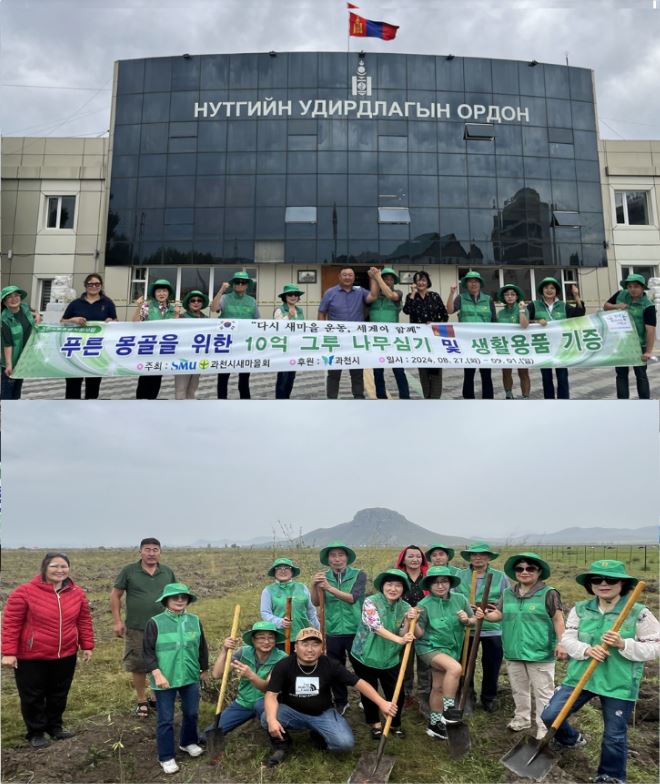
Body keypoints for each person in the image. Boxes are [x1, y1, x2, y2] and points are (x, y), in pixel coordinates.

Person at [541, 560, 659, 784]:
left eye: (610, 580)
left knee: (614, 736)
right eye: (597, 580)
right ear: (590, 584)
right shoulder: (581, 609)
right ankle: (571, 739)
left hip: (618, 681)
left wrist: (624, 644)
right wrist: (586, 649)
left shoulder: (638, 612)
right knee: (550, 715)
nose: (603, 584)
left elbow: (655, 646)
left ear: (622, 584)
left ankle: (610, 776)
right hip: (581, 677)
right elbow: (568, 638)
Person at [262, 627, 398, 767]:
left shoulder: (330, 665)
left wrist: (381, 702)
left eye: (315, 644)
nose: (310, 649)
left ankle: (318, 733)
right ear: (296, 647)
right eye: (305, 644)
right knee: (266, 717)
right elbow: (271, 694)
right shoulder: (284, 665)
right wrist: (272, 719)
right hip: (292, 712)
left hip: (322, 713)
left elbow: (359, 683)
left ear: (322, 647)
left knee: (344, 744)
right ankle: (282, 744)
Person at [1, 552, 94, 748]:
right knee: (32, 695)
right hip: (32, 655)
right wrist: (9, 652)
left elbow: (84, 620)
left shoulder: (76, 592)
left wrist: (87, 645)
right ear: (44, 568)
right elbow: (11, 623)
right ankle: (36, 731)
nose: (60, 570)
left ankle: (55, 727)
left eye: (63, 566)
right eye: (54, 566)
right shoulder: (24, 592)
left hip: (65, 653)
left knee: (59, 693)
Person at [484, 552, 566, 739]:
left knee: (543, 692)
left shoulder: (549, 593)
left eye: (530, 568)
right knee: (519, 689)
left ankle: (543, 726)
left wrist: (562, 643)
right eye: (520, 568)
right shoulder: (508, 593)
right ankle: (522, 719)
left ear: (538, 572)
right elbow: (499, 614)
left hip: (539, 652)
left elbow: (558, 620)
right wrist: (486, 616)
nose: (524, 572)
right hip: (513, 650)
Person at [143, 583, 208, 774]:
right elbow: (147, 651)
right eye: (175, 597)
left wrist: (204, 669)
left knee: (191, 713)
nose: (180, 600)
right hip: (165, 678)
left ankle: (188, 742)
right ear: (166, 601)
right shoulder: (155, 622)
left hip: (190, 675)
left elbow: (202, 646)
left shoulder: (194, 620)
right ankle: (166, 756)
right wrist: (156, 673)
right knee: (165, 719)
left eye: (183, 597)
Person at [110, 538, 176, 718]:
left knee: (161, 661)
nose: (151, 553)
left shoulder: (167, 572)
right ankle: (141, 700)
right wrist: (117, 621)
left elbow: (175, 597)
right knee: (139, 664)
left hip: (163, 625)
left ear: (160, 552)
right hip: (137, 626)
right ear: (140, 552)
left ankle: (156, 696)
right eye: (147, 549)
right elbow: (116, 595)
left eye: (155, 549)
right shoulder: (129, 571)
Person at [349, 568, 419, 739]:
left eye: (398, 585)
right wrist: (399, 640)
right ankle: (375, 725)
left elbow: (403, 633)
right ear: (383, 586)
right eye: (389, 584)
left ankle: (394, 723)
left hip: (390, 658)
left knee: (396, 692)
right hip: (365, 655)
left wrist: (409, 621)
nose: (393, 589)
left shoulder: (405, 607)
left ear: (403, 589)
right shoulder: (370, 602)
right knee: (369, 691)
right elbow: (375, 627)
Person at [416, 566, 481, 739]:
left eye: (444, 581)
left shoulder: (460, 599)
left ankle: (435, 724)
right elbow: (418, 634)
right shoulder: (424, 605)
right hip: (429, 647)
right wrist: (411, 621)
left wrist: (467, 620)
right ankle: (449, 710)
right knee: (455, 669)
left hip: (452, 648)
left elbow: (472, 620)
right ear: (429, 585)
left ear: (450, 583)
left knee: (437, 687)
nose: (440, 586)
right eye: (435, 582)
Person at [310, 541, 367, 715]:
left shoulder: (359, 575)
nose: (337, 559)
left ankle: (367, 699)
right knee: (335, 667)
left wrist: (329, 588)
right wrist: (314, 586)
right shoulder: (323, 576)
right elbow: (316, 602)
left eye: (340, 555)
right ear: (328, 559)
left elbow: (352, 598)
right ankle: (341, 701)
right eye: (333, 556)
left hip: (356, 628)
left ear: (347, 558)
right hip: (332, 629)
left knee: (361, 666)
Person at [456, 542, 510, 711]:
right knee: (466, 663)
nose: (478, 558)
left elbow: (506, 600)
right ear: (470, 557)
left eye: (482, 554)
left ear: (488, 557)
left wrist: (493, 609)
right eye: (474, 554)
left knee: (492, 664)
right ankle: (467, 695)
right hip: (467, 627)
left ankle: (489, 697)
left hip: (492, 627)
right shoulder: (460, 576)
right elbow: (454, 598)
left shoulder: (500, 577)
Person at [206, 621, 287, 735]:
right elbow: (217, 674)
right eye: (261, 638)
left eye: (271, 638)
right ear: (253, 640)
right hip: (243, 703)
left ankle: (279, 742)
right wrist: (224, 650)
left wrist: (251, 675)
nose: (266, 642)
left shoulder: (282, 658)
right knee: (209, 733)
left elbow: (267, 688)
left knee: (269, 719)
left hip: (267, 703)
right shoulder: (243, 652)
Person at [317, 267, 376, 399]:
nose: (347, 277)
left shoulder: (360, 292)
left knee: (357, 371)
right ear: (339, 277)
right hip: (336, 340)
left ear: (354, 278)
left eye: (350, 275)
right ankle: (332, 398)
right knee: (334, 372)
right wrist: (322, 332)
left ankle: (359, 396)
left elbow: (373, 296)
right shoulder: (330, 293)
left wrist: (373, 278)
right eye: (344, 275)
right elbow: (322, 312)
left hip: (355, 339)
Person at [60, 273, 117, 399]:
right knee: (72, 385)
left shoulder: (107, 303)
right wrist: (73, 320)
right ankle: (71, 412)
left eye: (97, 284)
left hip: (96, 349)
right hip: (75, 350)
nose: (94, 286)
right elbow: (62, 322)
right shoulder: (75, 304)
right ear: (85, 286)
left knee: (93, 385)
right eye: (90, 284)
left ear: (101, 286)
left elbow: (115, 321)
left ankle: (89, 413)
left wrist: (111, 321)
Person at [526, 277, 585, 399]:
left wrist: (576, 295)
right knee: (546, 377)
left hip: (561, 347)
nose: (549, 290)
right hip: (543, 347)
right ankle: (549, 402)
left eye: (552, 288)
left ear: (556, 291)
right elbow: (524, 322)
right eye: (546, 288)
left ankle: (563, 402)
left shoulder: (563, 306)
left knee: (562, 376)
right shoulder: (534, 305)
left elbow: (579, 314)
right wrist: (536, 321)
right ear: (542, 290)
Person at [603, 273, 656, 399]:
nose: (632, 289)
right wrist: (617, 306)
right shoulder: (621, 295)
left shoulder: (648, 306)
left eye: (636, 286)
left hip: (639, 345)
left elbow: (650, 330)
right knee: (621, 374)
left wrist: (648, 351)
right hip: (620, 344)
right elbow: (605, 306)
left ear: (643, 288)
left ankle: (644, 403)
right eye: (630, 286)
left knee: (641, 375)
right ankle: (623, 403)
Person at [447, 271, 497, 399]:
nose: (473, 283)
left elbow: (494, 321)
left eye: (476, 281)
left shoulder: (488, 299)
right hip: (467, 342)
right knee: (469, 372)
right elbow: (450, 310)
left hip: (484, 343)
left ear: (480, 283)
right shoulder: (461, 298)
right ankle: (468, 400)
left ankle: (488, 399)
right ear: (466, 284)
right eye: (470, 281)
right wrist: (452, 293)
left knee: (486, 373)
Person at [210, 271, 260, 399]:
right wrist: (221, 290)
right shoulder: (225, 298)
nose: (240, 284)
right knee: (223, 376)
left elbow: (257, 322)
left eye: (243, 282)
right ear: (233, 284)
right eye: (237, 282)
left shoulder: (252, 301)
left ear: (247, 285)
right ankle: (221, 401)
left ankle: (245, 402)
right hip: (226, 343)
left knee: (244, 377)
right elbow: (213, 309)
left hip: (245, 344)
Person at [394, 545, 431, 716]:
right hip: (404, 625)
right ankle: (406, 693)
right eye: (411, 556)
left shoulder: (428, 577)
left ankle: (425, 695)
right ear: (404, 559)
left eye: (418, 556)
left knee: (425, 664)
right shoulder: (399, 578)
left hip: (424, 626)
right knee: (405, 663)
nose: (415, 559)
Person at [402, 271, 448, 398]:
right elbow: (407, 310)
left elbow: (444, 315)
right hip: (419, 338)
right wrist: (412, 293)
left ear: (427, 282)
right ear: (415, 283)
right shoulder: (411, 296)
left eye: (423, 280)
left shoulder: (435, 296)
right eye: (418, 280)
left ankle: (435, 397)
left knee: (436, 368)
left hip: (434, 337)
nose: (420, 283)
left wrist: (434, 323)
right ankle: (427, 396)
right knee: (423, 368)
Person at [132, 278, 180, 399]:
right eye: (158, 291)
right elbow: (135, 323)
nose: (161, 294)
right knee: (144, 379)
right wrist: (138, 306)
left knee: (157, 379)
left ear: (168, 293)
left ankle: (151, 403)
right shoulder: (146, 306)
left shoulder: (173, 308)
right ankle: (140, 403)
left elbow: (177, 329)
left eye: (164, 291)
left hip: (162, 350)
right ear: (154, 293)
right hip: (148, 348)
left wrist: (176, 315)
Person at [367, 266, 410, 399]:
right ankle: (381, 396)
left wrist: (377, 277)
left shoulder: (398, 293)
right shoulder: (372, 297)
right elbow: (372, 296)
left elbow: (390, 295)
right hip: (376, 339)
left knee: (398, 369)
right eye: (385, 278)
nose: (388, 281)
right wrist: (373, 277)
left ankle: (405, 397)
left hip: (393, 339)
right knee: (378, 370)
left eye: (391, 279)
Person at [260, 558, 319, 643]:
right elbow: (265, 613)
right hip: (281, 638)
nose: (283, 571)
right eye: (279, 568)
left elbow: (311, 611)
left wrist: (318, 630)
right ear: (274, 572)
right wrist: (280, 622)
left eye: (287, 568)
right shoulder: (268, 590)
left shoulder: (302, 587)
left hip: (303, 636)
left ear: (292, 571)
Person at [1, 284, 41, 400]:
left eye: (16, 295)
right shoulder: (4, 319)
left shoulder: (24, 308)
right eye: (9, 297)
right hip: (11, 359)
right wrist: (8, 365)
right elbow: (7, 343)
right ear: (4, 302)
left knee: (17, 389)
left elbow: (34, 313)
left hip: (23, 357)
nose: (14, 299)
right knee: (7, 392)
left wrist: (37, 316)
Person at [495, 283, 530, 399]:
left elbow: (524, 325)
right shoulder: (500, 313)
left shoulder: (523, 310)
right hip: (505, 347)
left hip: (521, 346)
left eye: (512, 294)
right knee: (506, 372)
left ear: (517, 296)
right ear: (503, 297)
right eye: (507, 294)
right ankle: (508, 394)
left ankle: (526, 396)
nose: (510, 296)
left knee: (523, 373)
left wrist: (521, 310)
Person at [175, 290, 208, 400]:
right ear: (188, 303)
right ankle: (179, 413)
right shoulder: (181, 318)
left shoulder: (207, 320)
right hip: (183, 359)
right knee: (181, 389)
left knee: (193, 389)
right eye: (193, 300)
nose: (196, 302)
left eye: (199, 300)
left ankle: (190, 412)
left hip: (198, 358)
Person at [273, 283, 305, 399]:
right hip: (283, 348)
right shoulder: (279, 310)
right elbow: (277, 327)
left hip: (295, 348)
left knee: (291, 377)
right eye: (290, 294)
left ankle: (287, 399)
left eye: (295, 294)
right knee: (283, 377)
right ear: (285, 297)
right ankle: (280, 401)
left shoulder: (299, 310)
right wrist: (289, 317)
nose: (293, 297)